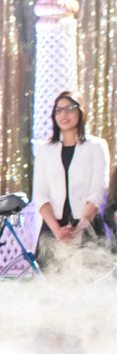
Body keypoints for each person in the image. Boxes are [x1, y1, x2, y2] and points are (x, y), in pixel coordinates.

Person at [31, 90, 109, 270]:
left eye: (69, 109)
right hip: (53, 228)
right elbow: (40, 193)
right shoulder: (45, 149)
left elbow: (99, 188)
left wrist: (81, 227)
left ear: (80, 111)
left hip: (87, 227)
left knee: (90, 279)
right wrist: (57, 231)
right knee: (50, 281)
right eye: (58, 110)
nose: (63, 115)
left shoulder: (96, 146)